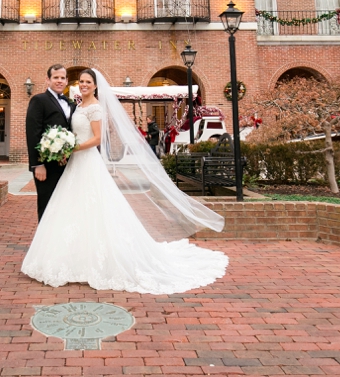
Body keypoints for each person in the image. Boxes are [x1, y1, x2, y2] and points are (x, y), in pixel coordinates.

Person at [21, 68, 228, 295]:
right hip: (69, 164)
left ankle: (94, 258)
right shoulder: (73, 105)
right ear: (50, 79)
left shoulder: (93, 107)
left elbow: (97, 138)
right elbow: (35, 132)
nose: (83, 85)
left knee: (94, 209)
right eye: (80, 81)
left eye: (87, 81)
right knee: (67, 209)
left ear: (96, 85)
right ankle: (62, 254)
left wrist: (72, 147)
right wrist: (40, 161)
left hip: (85, 160)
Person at [24, 64, 76, 221]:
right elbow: (33, 133)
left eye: (62, 78)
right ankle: (43, 244)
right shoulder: (39, 100)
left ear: (67, 81)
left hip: (67, 164)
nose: (59, 81)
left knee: (65, 205)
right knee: (47, 205)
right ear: (48, 79)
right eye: (56, 78)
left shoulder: (71, 104)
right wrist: (37, 164)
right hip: (46, 165)